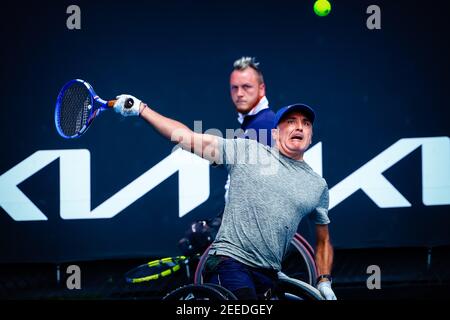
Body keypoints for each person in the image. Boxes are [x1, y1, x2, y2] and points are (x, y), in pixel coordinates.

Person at [113, 94, 336, 300]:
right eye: (291, 121)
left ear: (310, 136)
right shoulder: (246, 151)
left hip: (269, 275)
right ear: (275, 133)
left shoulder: (317, 186)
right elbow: (185, 137)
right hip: (229, 261)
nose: (299, 127)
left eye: (305, 123)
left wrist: (324, 280)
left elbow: (323, 240)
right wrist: (141, 109)